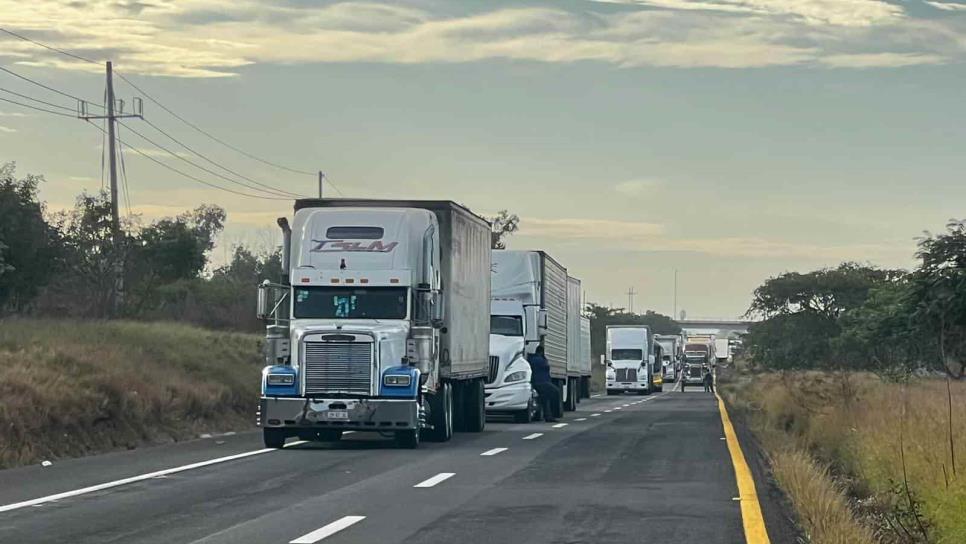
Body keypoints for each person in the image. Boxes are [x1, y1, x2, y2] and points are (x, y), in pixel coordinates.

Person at [528, 345, 560, 422]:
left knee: (545, 398)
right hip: (542, 382)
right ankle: (554, 414)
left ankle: (548, 416)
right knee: (556, 392)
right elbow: (546, 367)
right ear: (541, 352)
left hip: (537, 382)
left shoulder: (532, 359)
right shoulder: (540, 360)